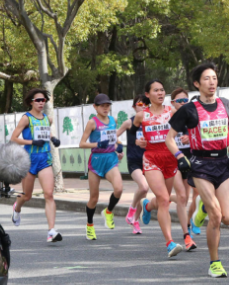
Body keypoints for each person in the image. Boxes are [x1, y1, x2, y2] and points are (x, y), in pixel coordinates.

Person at [167, 62, 229, 278]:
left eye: (214, 78)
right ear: (196, 83)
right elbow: (169, 139)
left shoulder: (226, 105)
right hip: (199, 165)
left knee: (228, 218)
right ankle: (214, 263)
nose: (212, 82)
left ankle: (201, 212)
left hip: (222, 164)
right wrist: (180, 157)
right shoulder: (188, 110)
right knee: (217, 216)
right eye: (207, 79)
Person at [131, 80, 184, 258]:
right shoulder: (141, 116)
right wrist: (139, 141)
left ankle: (146, 206)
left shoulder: (172, 111)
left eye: (162, 90)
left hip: (170, 158)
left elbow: (183, 128)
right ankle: (170, 243)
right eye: (156, 90)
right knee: (163, 198)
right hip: (152, 158)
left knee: (164, 200)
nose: (161, 93)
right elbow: (134, 133)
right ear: (148, 94)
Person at [147, 88, 197, 251]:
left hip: (188, 160)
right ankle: (186, 236)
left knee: (183, 198)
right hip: (172, 160)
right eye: (179, 101)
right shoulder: (168, 116)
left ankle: (148, 205)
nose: (183, 104)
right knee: (180, 196)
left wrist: (189, 137)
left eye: (185, 101)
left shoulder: (191, 116)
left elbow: (200, 133)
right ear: (173, 103)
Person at [10, 88, 62, 242]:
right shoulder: (26, 118)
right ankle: (17, 207)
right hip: (29, 159)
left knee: (49, 194)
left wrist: (53, 138)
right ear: (31, 102)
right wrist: (32, 142)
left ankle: (51, 231)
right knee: (27, 196)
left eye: (43, 100)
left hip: (44, 160)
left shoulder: (48, 119)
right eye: (37, 100)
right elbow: (14, 138)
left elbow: (47, 133)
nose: (41, 103)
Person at [79, 94, 124, 241]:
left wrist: (119, 146)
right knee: (94, 198)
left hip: (110, 159)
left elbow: (113, 137)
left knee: (118, 189)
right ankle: (90, 225)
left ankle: (108, 211)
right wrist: (97, 144)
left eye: (107, 105)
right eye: (102, 105)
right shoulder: (93, 123)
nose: (105, 108)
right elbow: (82, 143)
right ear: (95, 107)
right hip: (96, 160)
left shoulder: (113, 120)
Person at [116, 95, 149, 235]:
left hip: (149, 161)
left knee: (144, 192)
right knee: (144, 186)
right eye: (140, 103)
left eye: (146, 104)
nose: (143, 106)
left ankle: (135, 221)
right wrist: (119, 149)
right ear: (134, 106)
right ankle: (131, 211)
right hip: (134, 161)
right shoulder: (129, 123)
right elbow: (115, 136)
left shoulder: (150, 123)